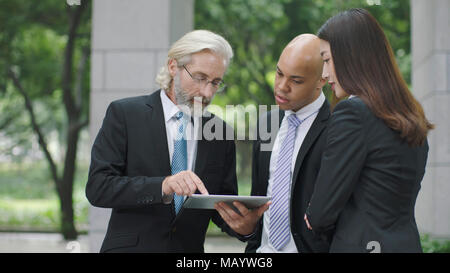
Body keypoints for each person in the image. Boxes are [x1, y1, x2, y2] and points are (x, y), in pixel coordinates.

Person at [86, 30, 264, 252]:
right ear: (173, 67)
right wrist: (163, 185)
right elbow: (98, 187)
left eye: (216, 82)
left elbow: (219, 206)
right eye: (200, 78)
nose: (207, 92)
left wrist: (244, 228)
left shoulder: (220, 132)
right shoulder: (125, 114)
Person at [304, 8, 434, 253]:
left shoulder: (353, 113)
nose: (324, 73)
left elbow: (320, 214)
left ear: (352, 56)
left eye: (327, 60)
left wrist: (313, 213)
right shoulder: (411, 116)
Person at [229, 34, 332, 253]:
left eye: (296, 80)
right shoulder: (267, 122)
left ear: (322, 79)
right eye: (279, 73)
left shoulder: (339, 127)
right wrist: (247, 230)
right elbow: (259, 200)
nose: (281, 87)